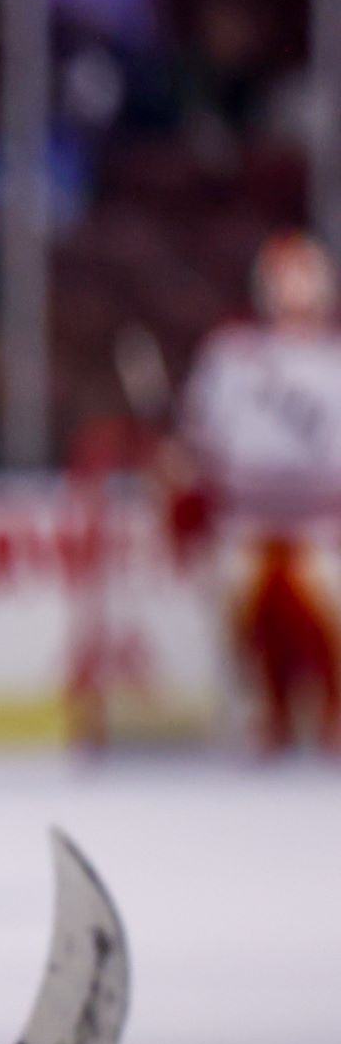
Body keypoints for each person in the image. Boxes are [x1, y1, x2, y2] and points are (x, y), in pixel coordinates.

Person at [176, 230, 341, 752]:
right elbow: (199, 438)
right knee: (235, 614)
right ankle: (260, 715)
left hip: (325, 522)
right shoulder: (231, 355)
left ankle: (331, 713)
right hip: (244, 520)